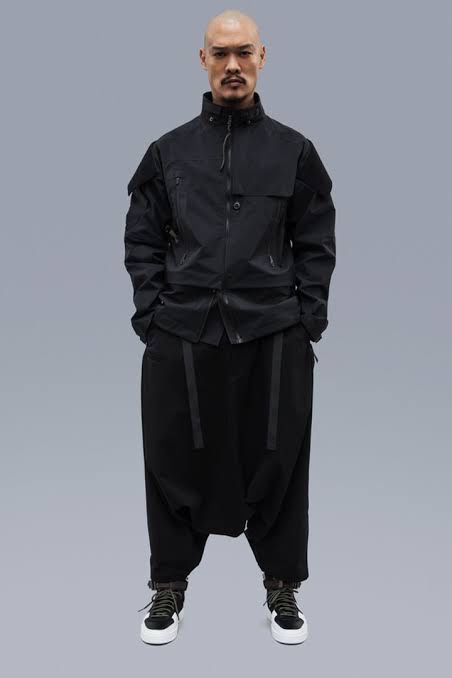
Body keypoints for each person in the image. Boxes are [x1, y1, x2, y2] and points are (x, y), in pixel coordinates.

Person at [124, 9, 336, 646]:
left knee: (281, 458)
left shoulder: (295, 151)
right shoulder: (167, 152)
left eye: (244, 52)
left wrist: (308, 321)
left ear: (263, 56)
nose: (233, 65)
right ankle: (168, 584)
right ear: (203, 60)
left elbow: (316, 241)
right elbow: (142, 240)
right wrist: (151, 317)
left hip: (272, 333)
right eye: (221, 53)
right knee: (169, 457)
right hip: (183, 335)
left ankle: (283, 585)